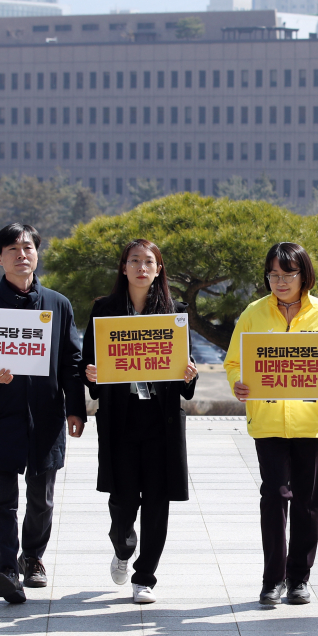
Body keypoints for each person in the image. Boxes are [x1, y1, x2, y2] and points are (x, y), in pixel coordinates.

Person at [225, 242, 318, 606]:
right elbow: (234, 362)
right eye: (273, 275)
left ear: (303, 275)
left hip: (311, 422)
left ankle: (299, 578)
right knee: (274, 497)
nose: (280, 282)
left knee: (307, 503)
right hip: (267, 421)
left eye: (288, 274)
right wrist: (238, 381)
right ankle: (273, 579)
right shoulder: (253, 313)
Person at [0, 223, 86, 604]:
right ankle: (7, 569)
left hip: (46, 416)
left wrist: (76, 409)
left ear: (37, 253)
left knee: (42, 499)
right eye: (12, 249)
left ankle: (32, 557)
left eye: (28, 248)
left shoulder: (57, 304)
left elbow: (71, 362)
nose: (22, 255)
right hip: (2, 416)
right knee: (4, 498)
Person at [80, 239, 198, 604]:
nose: (141, 268)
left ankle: (145, 576)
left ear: (159, 270)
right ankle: (123, 546)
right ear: (124, 267)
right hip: (121, 416)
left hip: (161, 419)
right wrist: (91, 375)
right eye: (134, 261)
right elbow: (87, 363)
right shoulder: (105, 309)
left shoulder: (174, 312)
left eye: (149, 262)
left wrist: (189, 375)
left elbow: (185, 370)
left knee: (158, 501)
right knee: (123, 497)